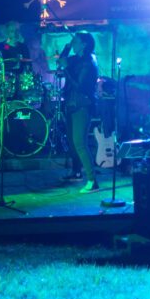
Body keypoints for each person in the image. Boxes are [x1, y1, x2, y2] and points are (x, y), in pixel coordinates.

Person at [57, 31, 100, 193]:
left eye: (75, 41)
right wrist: (66, 48)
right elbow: (60, 62)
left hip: (82, 105)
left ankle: (92, 181)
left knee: (80, 143)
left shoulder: (89, 62)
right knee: (73, 142)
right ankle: (76, 173)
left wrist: (67, 69)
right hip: (71, 104)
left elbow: (81, 87)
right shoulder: (77, 58)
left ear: (84, 44)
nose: (73, 43)